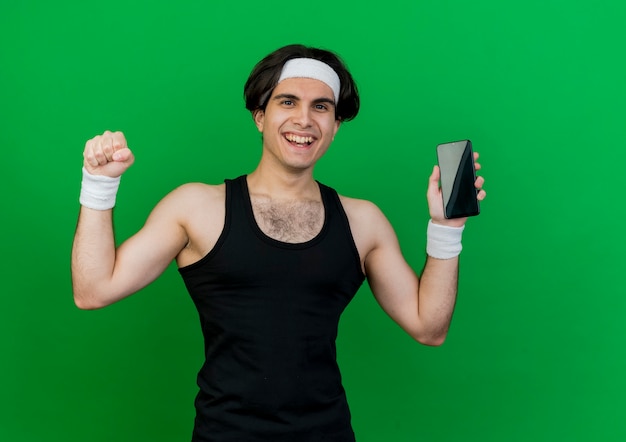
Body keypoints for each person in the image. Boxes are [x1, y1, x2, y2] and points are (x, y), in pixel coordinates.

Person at [71, 44, 486, 442]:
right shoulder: (197, 207)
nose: (304, 119)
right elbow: (94, 290)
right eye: (287, 102)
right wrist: (99, 186)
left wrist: (446, 227)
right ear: (260, 116)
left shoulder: (364, 222)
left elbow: (428, 327)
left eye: (321, 107)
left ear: (335, 125)